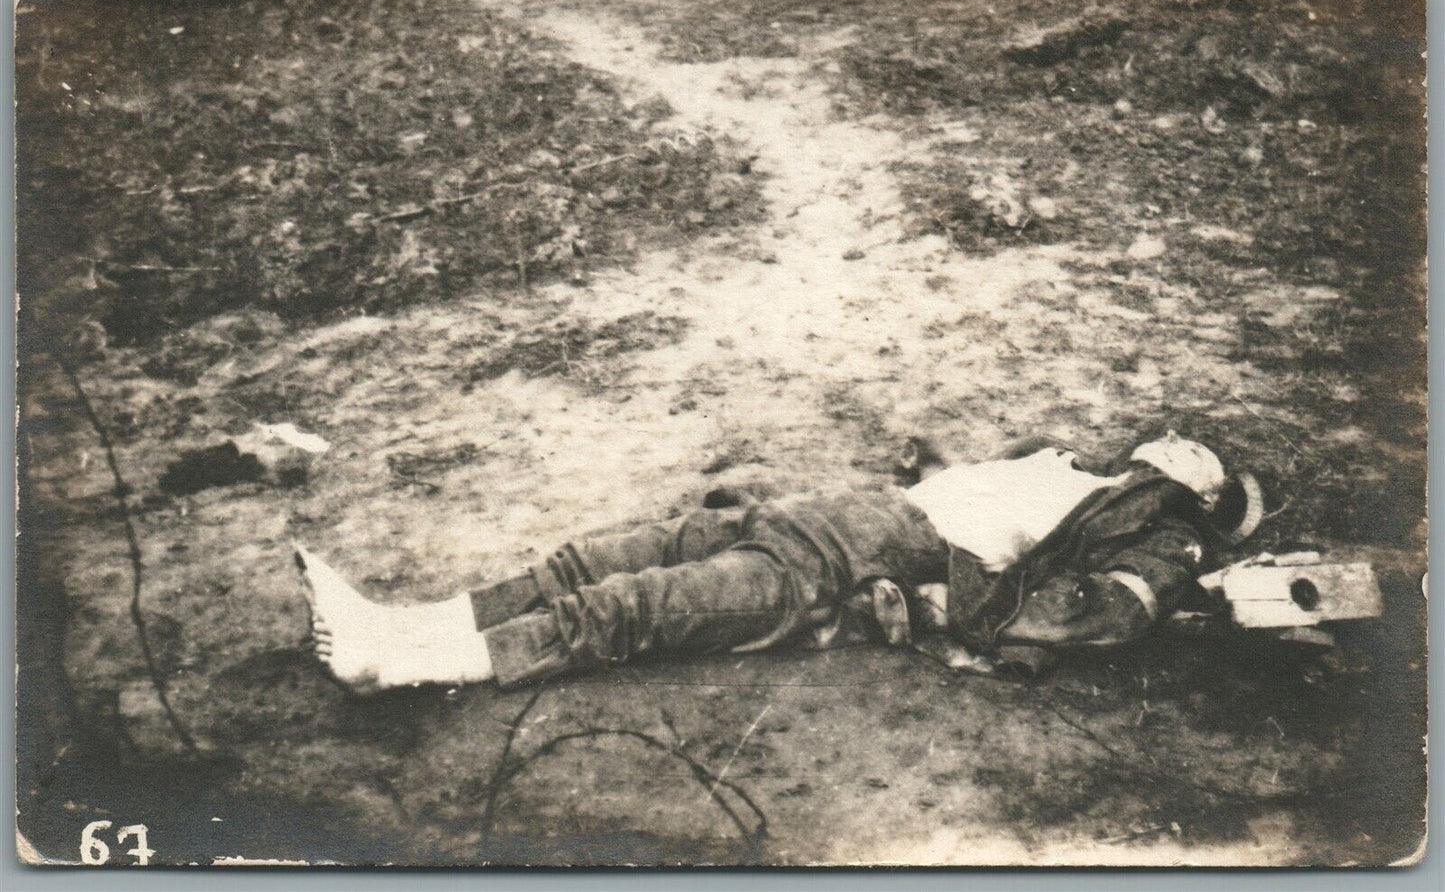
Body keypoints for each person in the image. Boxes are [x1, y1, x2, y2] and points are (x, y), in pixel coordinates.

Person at [297, 432, 1262, 693]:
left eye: (1197, 460)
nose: (1178, 444)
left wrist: (1182, 551)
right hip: (834, 516)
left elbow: (1093, 612)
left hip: (859, 558)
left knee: (637, 605)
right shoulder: (1067, 464)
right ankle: (401, 622)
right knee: (595, 559)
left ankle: (396, 663)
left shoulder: (1148, 532)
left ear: (1199, 497)